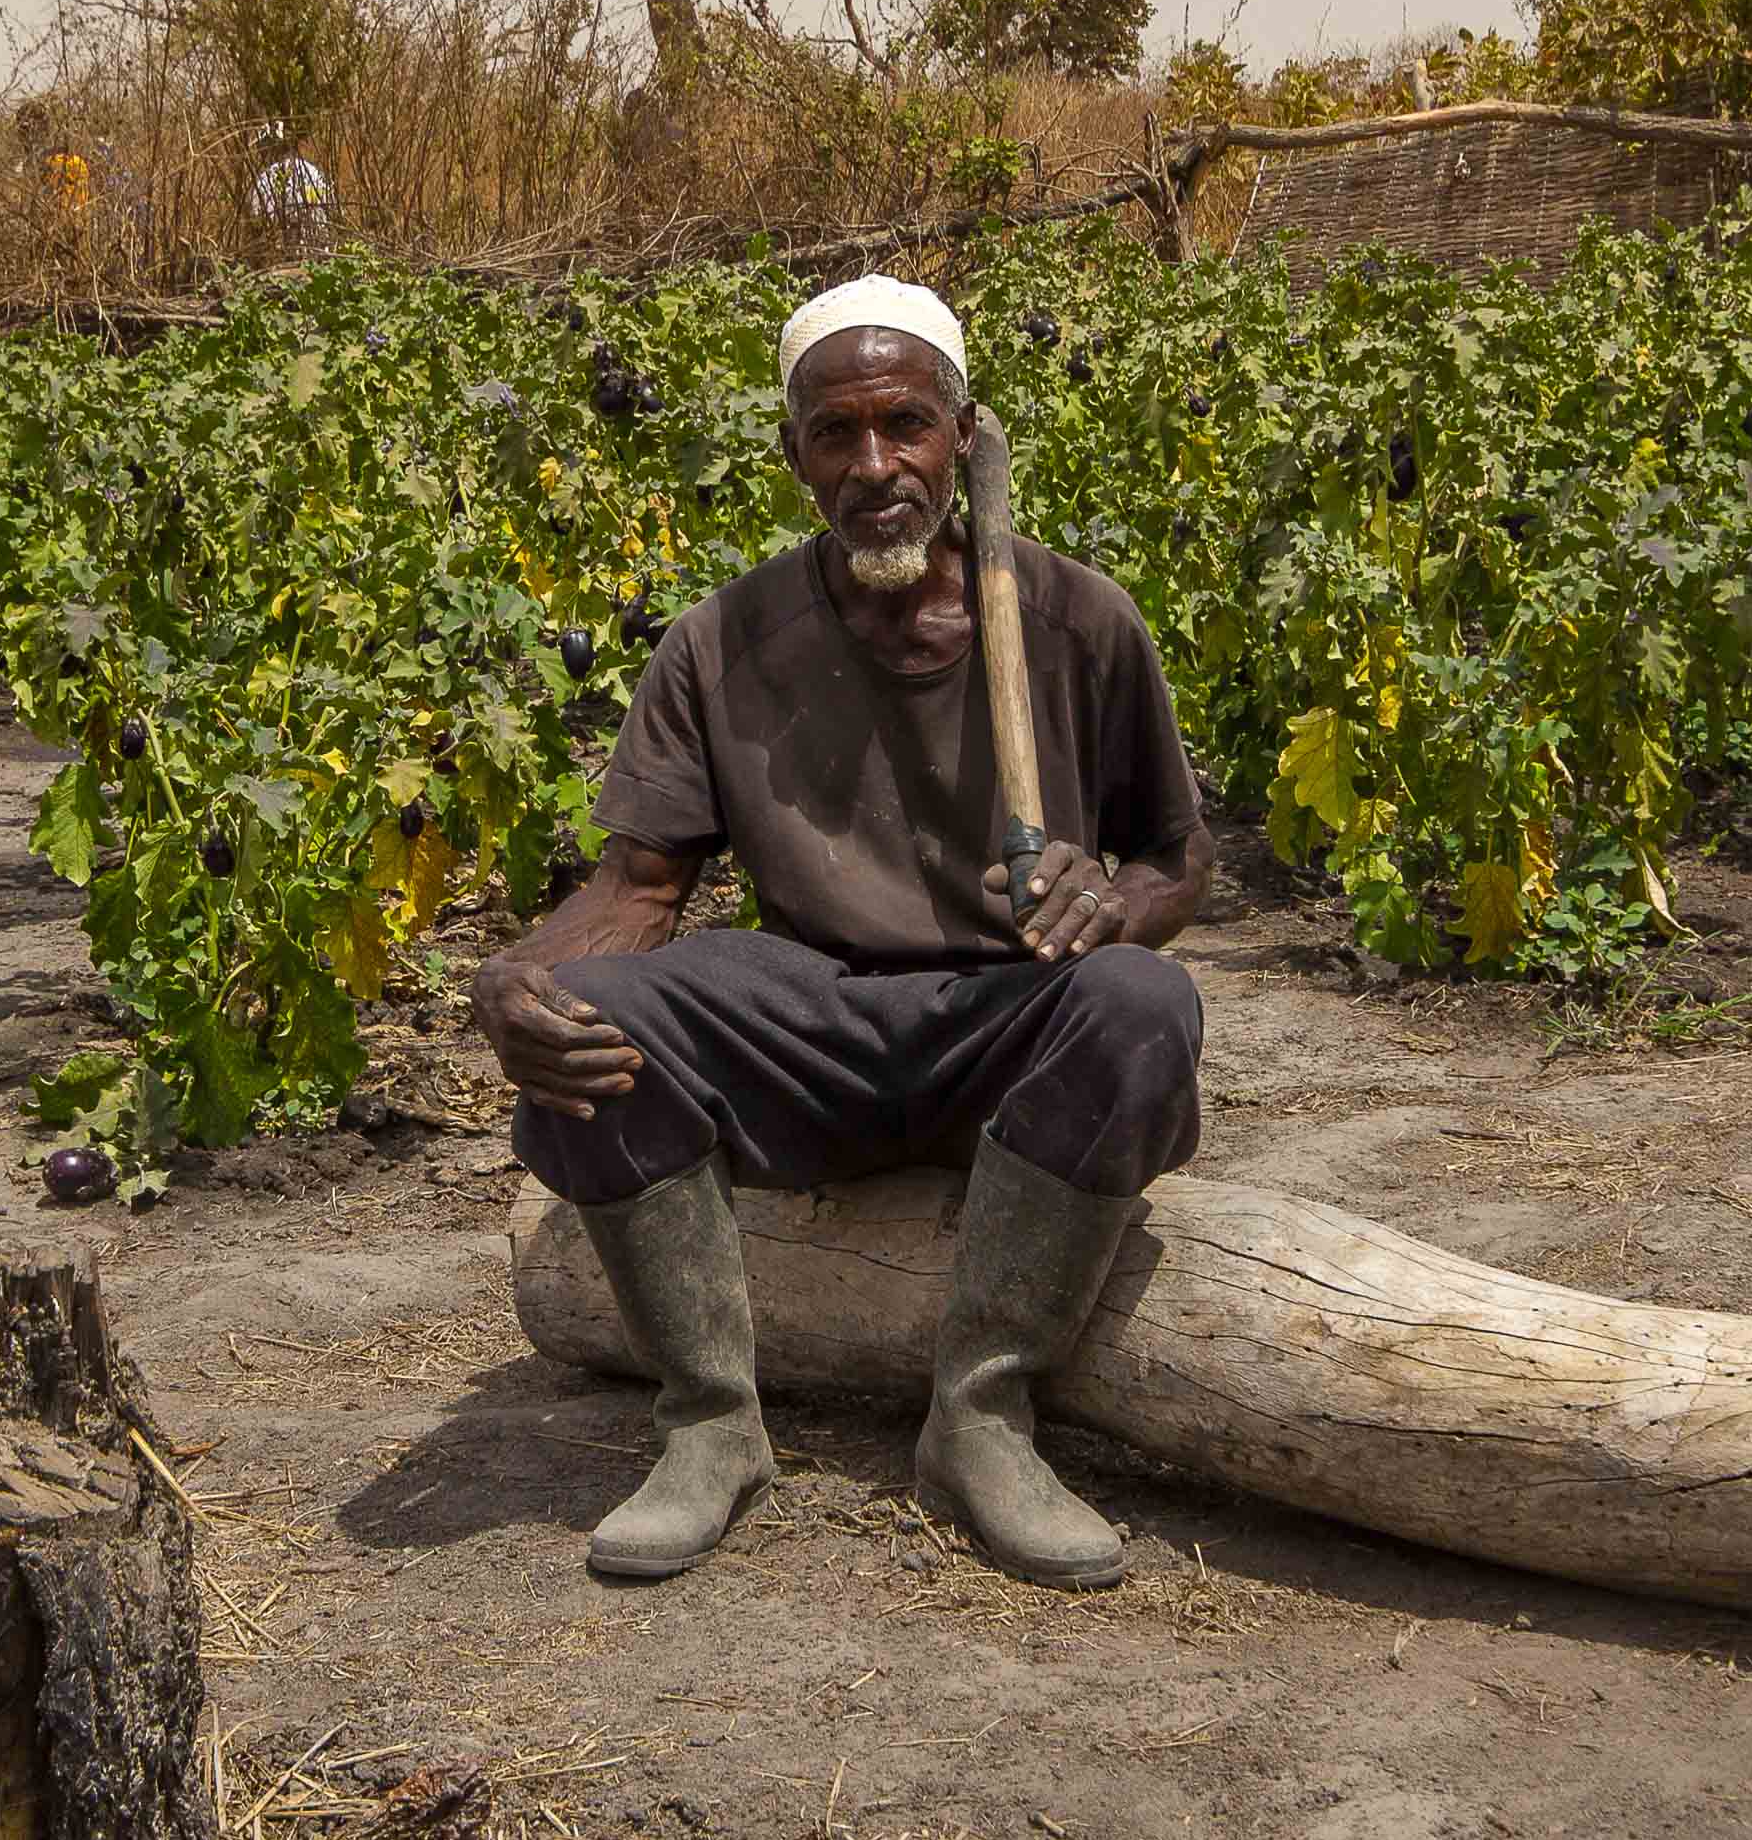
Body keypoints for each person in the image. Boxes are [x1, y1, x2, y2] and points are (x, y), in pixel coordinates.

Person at [468, 277, 1210, 1590]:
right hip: (807, 1024)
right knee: (591, 1012)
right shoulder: (717, 645)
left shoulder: (1080, 622)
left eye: (907, 426)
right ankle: (709, 1421)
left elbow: (1178, 863)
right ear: (793, 452)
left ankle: (982, 1415)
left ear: (960, 432)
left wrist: (1122, 903)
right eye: (839, 433)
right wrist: (517, 979)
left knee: (1143, 1004)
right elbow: (639, 891)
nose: (876, 466)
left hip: (1007, 1034)